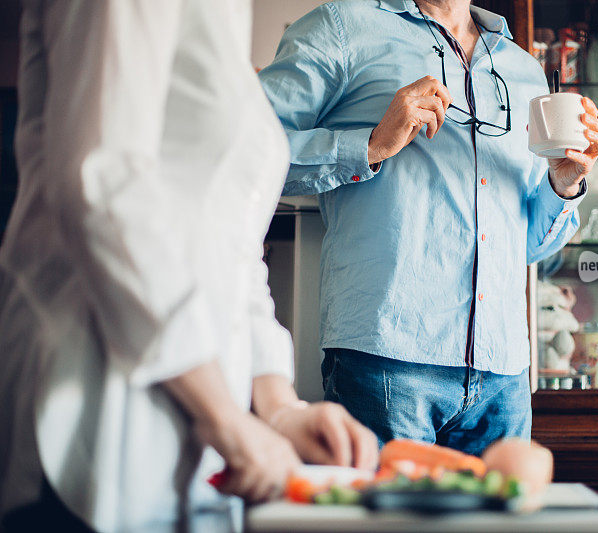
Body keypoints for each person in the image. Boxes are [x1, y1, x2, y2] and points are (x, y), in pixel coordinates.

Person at [0, 1, 377, 532]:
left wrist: (278, 406)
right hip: (94, 405)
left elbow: (232, 244)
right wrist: (221, 414)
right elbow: (104, 183)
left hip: (195, 429)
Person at [258, 0, 598, 454]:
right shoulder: (341, 27)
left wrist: (563, 185)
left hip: (503, 376)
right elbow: (246, 149)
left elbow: (526, 247)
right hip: (387, 361)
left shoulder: (523, 69)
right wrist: (369, 146)